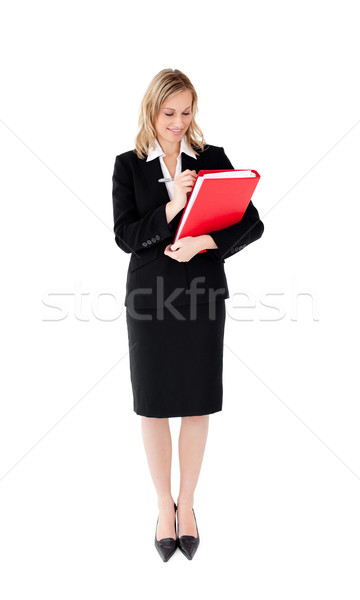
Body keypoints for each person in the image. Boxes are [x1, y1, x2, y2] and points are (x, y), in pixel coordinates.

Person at [112, 68, 264, 561]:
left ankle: (189, 505)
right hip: (150, 300)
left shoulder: (214, 159)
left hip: (201, 293)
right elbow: (127, 238)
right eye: (169, 113)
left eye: (186, 112)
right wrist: (172, 206)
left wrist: (207, 242)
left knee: (196, 401)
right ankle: (163, 506)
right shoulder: (129, 166)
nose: (178, 123)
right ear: (151, 112)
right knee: (154, 403)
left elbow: (253, 223)